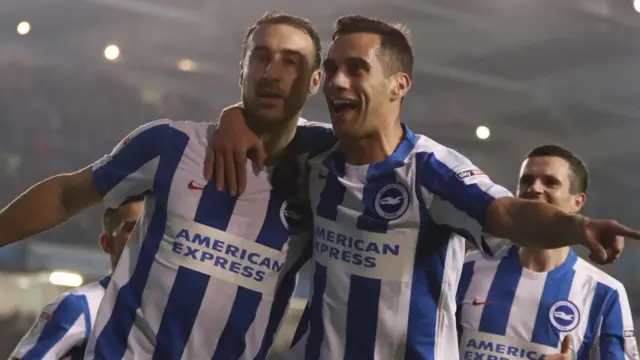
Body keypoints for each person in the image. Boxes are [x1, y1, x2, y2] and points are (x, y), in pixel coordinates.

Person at [206, 15, 638, 360]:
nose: (338, 82)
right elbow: (272, 125)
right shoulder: (316, 152)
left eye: (357, 69)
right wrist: (232, 118)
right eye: (332, 68)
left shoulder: (433, 171)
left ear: (399, 85)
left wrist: (574, 227)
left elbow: (508, 213)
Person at [0, 11, 333, 360]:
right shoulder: (171, 145)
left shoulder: (325, 169)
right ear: (242, 70)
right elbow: (66, 196)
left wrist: (233, 116)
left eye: (291, 62)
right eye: (261, 57)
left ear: (314, 81)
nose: (271, 73)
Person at [457, 145, 638, 360]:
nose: (534, 188)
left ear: (577, 202)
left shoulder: (604, 293)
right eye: (526, 180)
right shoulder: (466, 269)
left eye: (550, 182)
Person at [9, 196, 144, 360]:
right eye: (132, 228)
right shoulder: (80, 306)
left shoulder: (175, 312)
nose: (144, 236)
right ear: (107, 243)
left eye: (151, 228)